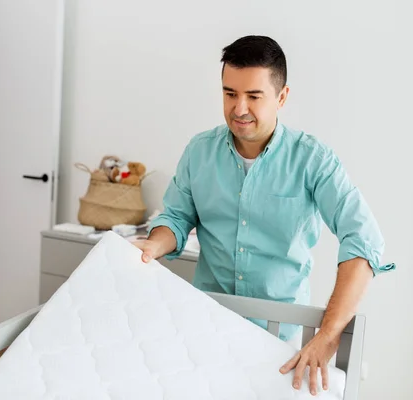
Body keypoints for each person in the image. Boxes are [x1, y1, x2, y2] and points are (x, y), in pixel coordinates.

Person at [134, 35, 395, 396]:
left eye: (254, 96)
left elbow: (364, 241)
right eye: (230, 94)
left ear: (282, 97)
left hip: (280, 340)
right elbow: (177, 218)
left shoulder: (313, 160)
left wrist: (327, 335)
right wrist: (152, 245)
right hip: (205, 325)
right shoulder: (199, 152)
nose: (239, 108)